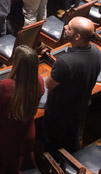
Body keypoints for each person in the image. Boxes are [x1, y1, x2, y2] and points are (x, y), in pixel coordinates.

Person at [0, 45, 44, 174]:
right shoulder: (39, 81)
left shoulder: (6, 85)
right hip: (27, 133)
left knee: (2, 170)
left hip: (7, 136)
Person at [43, 16, 101, 152]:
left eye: (69, 28)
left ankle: (53, 169)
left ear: (77, 37)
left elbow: (49, 85)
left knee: (52, 144)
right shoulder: (96, 52)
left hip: (59, 112)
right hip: (81, 106)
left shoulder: (64, 62)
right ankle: (73, 163)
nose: (64, 28)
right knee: (72, 138)